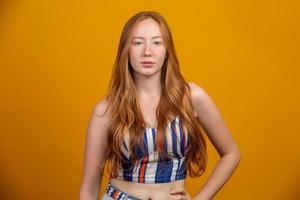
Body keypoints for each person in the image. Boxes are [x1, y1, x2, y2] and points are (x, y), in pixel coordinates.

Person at [79, 10, 241, 200]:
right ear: (126, 50)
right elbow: (89, 189)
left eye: (157, 42)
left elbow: (231, 154)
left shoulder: (191, 97)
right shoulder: (106, 110)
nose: (147, 51)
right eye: (138, 42)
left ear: (167, 51)